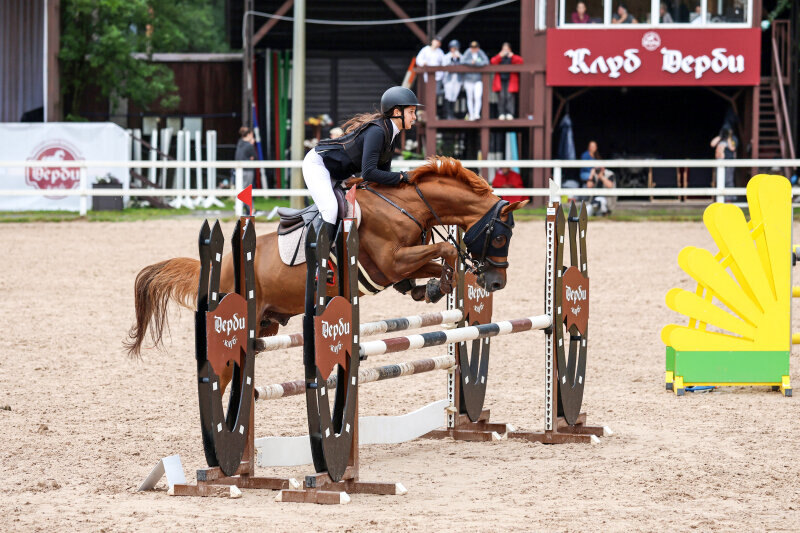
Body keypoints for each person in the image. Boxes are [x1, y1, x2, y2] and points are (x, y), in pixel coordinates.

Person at [303, 86, 421, 238]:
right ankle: (318, 257)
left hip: (339, 171)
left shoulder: (391, 133)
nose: (415, 116)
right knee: (330, 210)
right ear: (397, 112)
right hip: (319, 164)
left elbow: (384, 175)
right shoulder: (377, 132)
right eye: (411, 112)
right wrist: (402, 177)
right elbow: (369, 173)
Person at [490, 43, 523, 120]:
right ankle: (501, 113)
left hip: (510, 80)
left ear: (510, 50)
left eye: (507, 49)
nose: (505, 51)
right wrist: (499, 55)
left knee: (509, 96)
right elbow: (492, 62)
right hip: (500, 80)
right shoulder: (500, 57)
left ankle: (509, 113)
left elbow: (520, 61)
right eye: (504, 49)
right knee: (501, 97)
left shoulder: (512, 58)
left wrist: (512, 56)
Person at [416, 37, 446, 110]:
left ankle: (433, 110)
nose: (437, 43)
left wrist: (441, 71)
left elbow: (445, 63)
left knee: (436, 93)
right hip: (427, 77)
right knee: (428, 95)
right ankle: (429, 111)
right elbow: (418, 59)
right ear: (432, 41)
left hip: (438, 77)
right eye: (436, 41)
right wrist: (423, 63)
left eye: (438, 42)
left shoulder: (440, 52)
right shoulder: (425, 50)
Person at [462, 41, 489, 121]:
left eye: (475, 48)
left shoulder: (480, 53)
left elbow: (486, 62)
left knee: (478, 97)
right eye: (472, 48)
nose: (474, 50)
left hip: (478, 79)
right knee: (470, 97)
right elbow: (462, 61)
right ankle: (471, 114)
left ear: (478, 48)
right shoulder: (467, 52)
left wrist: (476, 63)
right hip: (468, 79)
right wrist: (471, 63)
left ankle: (477, 113)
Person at [710, 127, 738, 202]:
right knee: (719, 180)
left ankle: (729, 199)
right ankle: (720, 199)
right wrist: (720, 136)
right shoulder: (720, 139)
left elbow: (732, 148)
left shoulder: (733, 138)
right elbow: (712, 144)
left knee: (728, 181)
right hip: (720, 162)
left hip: (729, 162)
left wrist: (728, 137)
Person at [234, 126, 256, 214]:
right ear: (250, 134)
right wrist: (252, 144)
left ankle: (244, 207)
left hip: (240, 170)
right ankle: (250, 209)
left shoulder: (240, 143)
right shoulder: (249, 146)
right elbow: (254, 157)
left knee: (242, 189)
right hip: (248, 170)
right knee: (246, 190)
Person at [442, 39, 464, 120]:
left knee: (454, 96)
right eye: (453, 48)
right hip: (448, 79)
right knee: (448, 95)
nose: (454, 49)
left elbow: (464, 64)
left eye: (456, 48)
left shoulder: (461, 56)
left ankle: (452, 114)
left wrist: (458, 59)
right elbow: (444, 65)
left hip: (457, 79)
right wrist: (451, 59)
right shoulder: (446, 56)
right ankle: (447, 114)